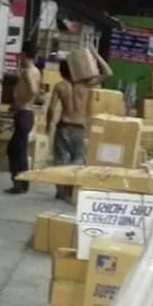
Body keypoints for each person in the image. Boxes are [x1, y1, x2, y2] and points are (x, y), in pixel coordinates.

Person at [47, 47, 111, 201]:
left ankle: (60, 191)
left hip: (63, 125)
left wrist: (49, 124)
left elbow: (51, 108)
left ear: (62, 72)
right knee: (77, 160)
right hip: (79, 127)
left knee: (60, 159)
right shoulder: (86, 85)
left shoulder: (59, 86)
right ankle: (71, 190)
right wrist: (95, 54)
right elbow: (108, 73)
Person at [6, 46, 41, 194]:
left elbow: (33, 90)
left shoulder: (28, 72)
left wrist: (20, 104)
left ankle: (20, 183)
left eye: (20, 55)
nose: (19, 58)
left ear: (24, 54)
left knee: (18, 151)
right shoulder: (35, 71)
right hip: (25, 113)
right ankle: (20, 182)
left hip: (24, 113)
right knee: (15, 149)